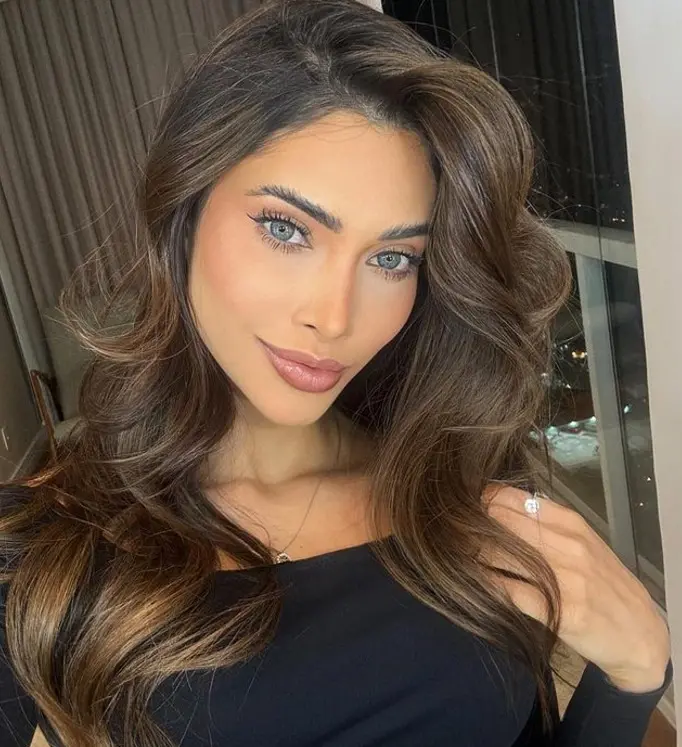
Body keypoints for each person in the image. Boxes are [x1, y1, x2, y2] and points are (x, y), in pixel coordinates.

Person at [0, 0, 673, 745]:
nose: (335, 316)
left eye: (392, 258)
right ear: (184, 213)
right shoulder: (42, 555)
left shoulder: (451, 492)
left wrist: (633, 673)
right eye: (286, 228)